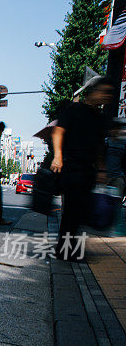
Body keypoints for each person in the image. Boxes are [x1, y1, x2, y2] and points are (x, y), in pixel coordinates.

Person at [51, 77, 113, 260]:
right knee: (72, 210)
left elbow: (100, 146)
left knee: (80, 210)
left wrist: (101, 169)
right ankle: (64, 251)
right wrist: (57, 156)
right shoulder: (74, 109)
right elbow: (58, 131)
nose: (107, 96)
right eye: (104, 91)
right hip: (72, 166)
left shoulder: (100, 118)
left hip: (88, 170)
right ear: (93, 91)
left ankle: (67, 248)